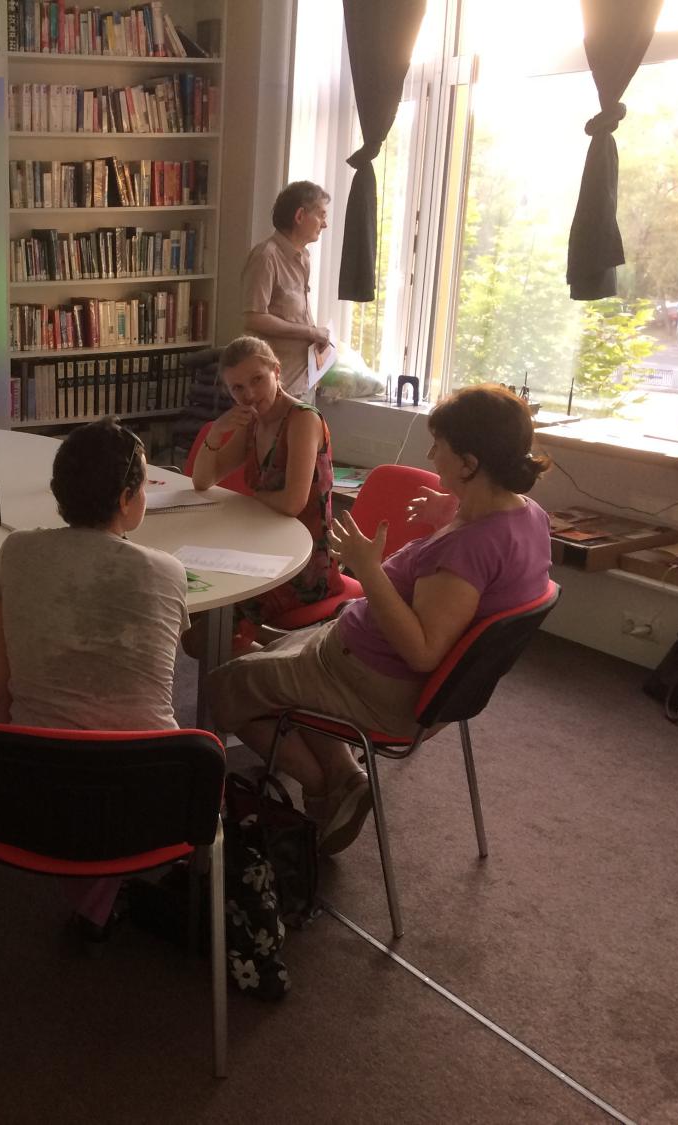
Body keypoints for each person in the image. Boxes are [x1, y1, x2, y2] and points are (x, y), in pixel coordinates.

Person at [206, 384, 552, 855]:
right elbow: (486, 566)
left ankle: (327, 787)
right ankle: (346, 773)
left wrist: (368, 569)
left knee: (223, 688)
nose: (430, 455)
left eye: (439, 446)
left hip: (374, 682)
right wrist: (451, 512)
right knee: (275, 658)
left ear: (469, 464)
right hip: (373, 666)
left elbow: (423, 650)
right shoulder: (528, 516)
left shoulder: (465, 552)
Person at [0, 419, 190, 943]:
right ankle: (103, 895)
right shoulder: (167, 571)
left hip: (32, 789)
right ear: (125, 499)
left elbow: (0, 686)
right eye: (144, 485)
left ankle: (95, 897)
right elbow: (158, 666)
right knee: (119, 725)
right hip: (151, 794)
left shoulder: (16, 551)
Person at [190, 336, 341, 641]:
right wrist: (217, 430)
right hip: (260, 547)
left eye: (257, 380)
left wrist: (252, 498)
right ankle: (246, 655)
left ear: (276, 371)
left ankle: (260, 659)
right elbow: (203, 480)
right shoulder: (253, 422)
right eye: (237, 388)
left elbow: (292, 503)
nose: (249, 394)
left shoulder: (302, 419)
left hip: (304, 563)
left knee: (205, 632)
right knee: (192, 602)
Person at [239, 180, 332, 398]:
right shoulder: (266, 257)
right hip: (274, 388)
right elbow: (254, 318)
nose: (325, 225)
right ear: (300, 216)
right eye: (321, 215)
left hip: (303, 381)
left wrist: (316, 338)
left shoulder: (304, 257)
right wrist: (310, 332)